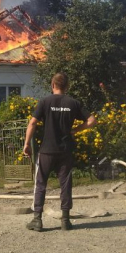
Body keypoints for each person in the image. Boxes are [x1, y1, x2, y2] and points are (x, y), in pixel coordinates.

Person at [23, 73, 96, 231]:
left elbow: (32, 123)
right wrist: (76, 130)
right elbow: (91, 120)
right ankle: (65, 220)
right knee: (65, 184)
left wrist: (26, 144)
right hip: (65, 150)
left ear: (53, 85)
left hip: (47, 150)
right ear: (67, 86)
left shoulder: (45, 102)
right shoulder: (73, 103)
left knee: (41, 183)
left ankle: (37, 220)